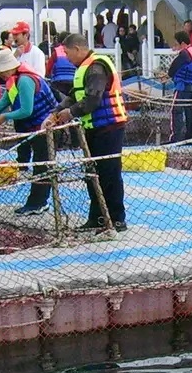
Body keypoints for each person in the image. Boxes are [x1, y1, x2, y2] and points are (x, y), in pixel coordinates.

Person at [43, 34, 128, 232]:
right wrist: (56, 112)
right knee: (92, 174)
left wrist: (70, 113)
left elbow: (93, 99)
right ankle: (97, 217)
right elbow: (74, 95)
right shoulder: (83, 68)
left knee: (109, 174)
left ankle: (116, 219)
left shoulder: (96, 67)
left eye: (67, 52)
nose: (65, 57)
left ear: (78, 49)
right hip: (93, 128)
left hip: (109, 128)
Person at [0, 49, 58, 216]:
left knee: (42, 167)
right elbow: (4, 100)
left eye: (0, 72)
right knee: (38, 165)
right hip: (31, 129)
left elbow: (26, 110)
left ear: (7, 69)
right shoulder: (14, 80)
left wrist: (2, 118)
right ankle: (36, 202)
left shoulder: (25, 80)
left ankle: (38, 203)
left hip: (44, 129)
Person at [166, 32, 192, 142]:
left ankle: (175, 138)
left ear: (182, 43)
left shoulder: (184, 53)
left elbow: (172, 69)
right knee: (190, 111)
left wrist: (168, 76)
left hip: (182, 87)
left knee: (176, 111)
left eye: (176, 44)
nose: (175, 47)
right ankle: (190, 136)